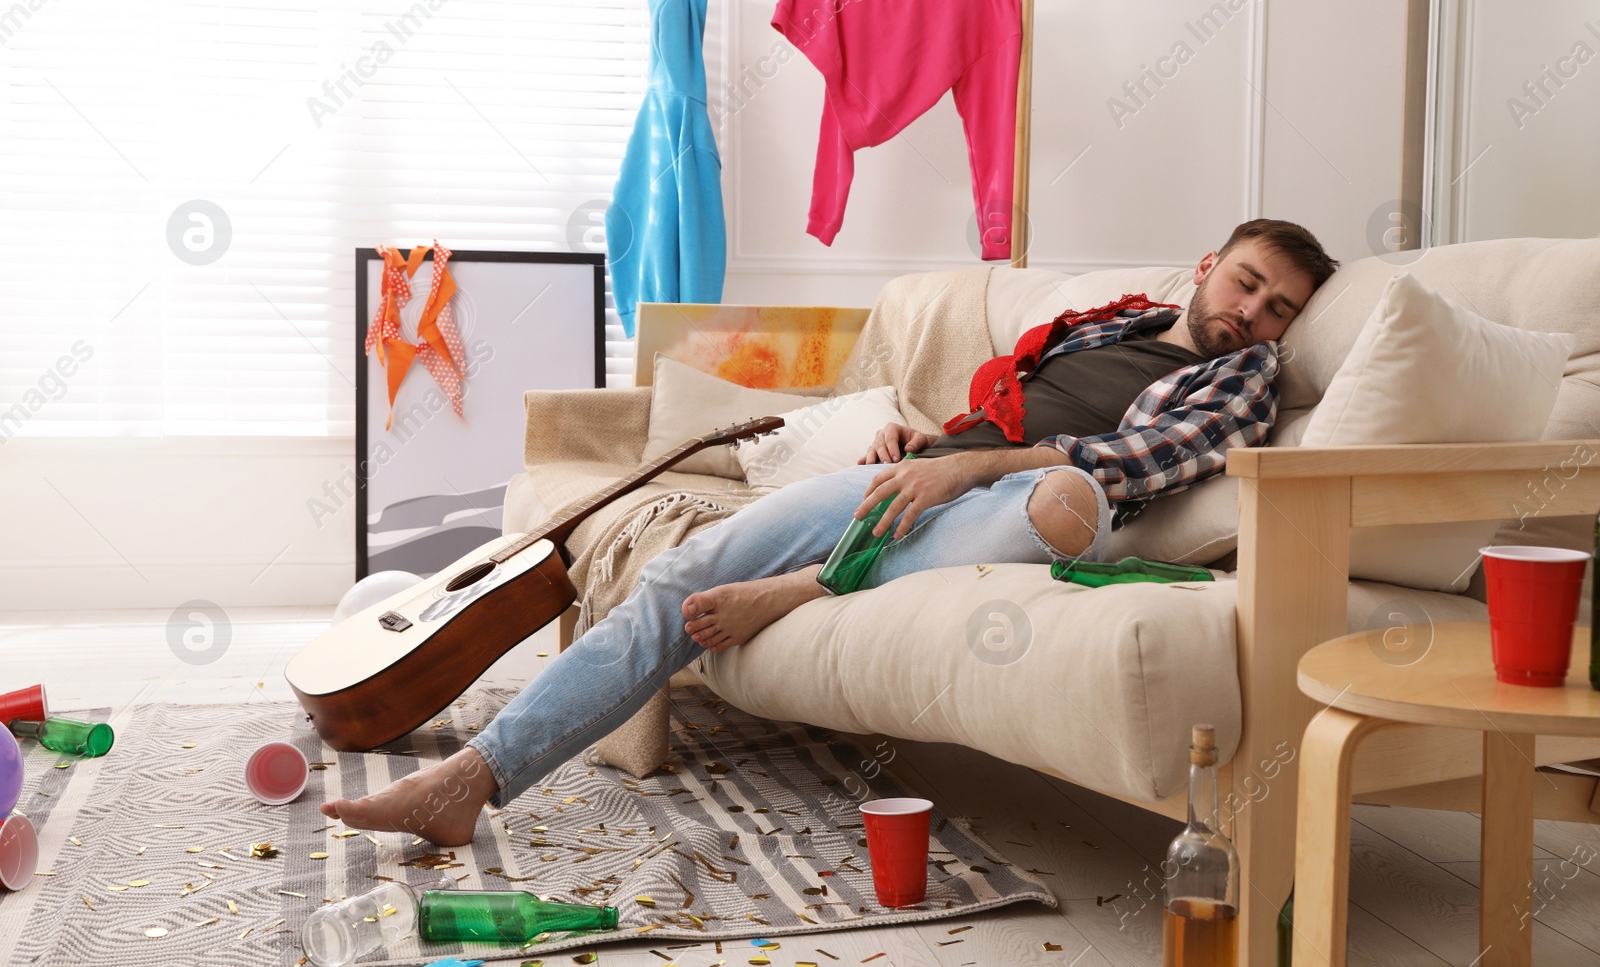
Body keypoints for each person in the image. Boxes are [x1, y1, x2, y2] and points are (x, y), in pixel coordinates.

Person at [322, 218, 1338, 846]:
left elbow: (1137, 464)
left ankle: (806, 587)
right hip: (929, 473)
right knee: (681, 572)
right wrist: (930, 439)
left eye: (1278, 307)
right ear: (1207, 266)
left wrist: (968, 463)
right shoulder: (1105, 323)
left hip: (1025, 504)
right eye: (1245, 281)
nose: (1252, 312)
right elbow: (1002, 412)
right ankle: (474, 775)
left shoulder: (1240, 378)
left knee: (1064, 498)